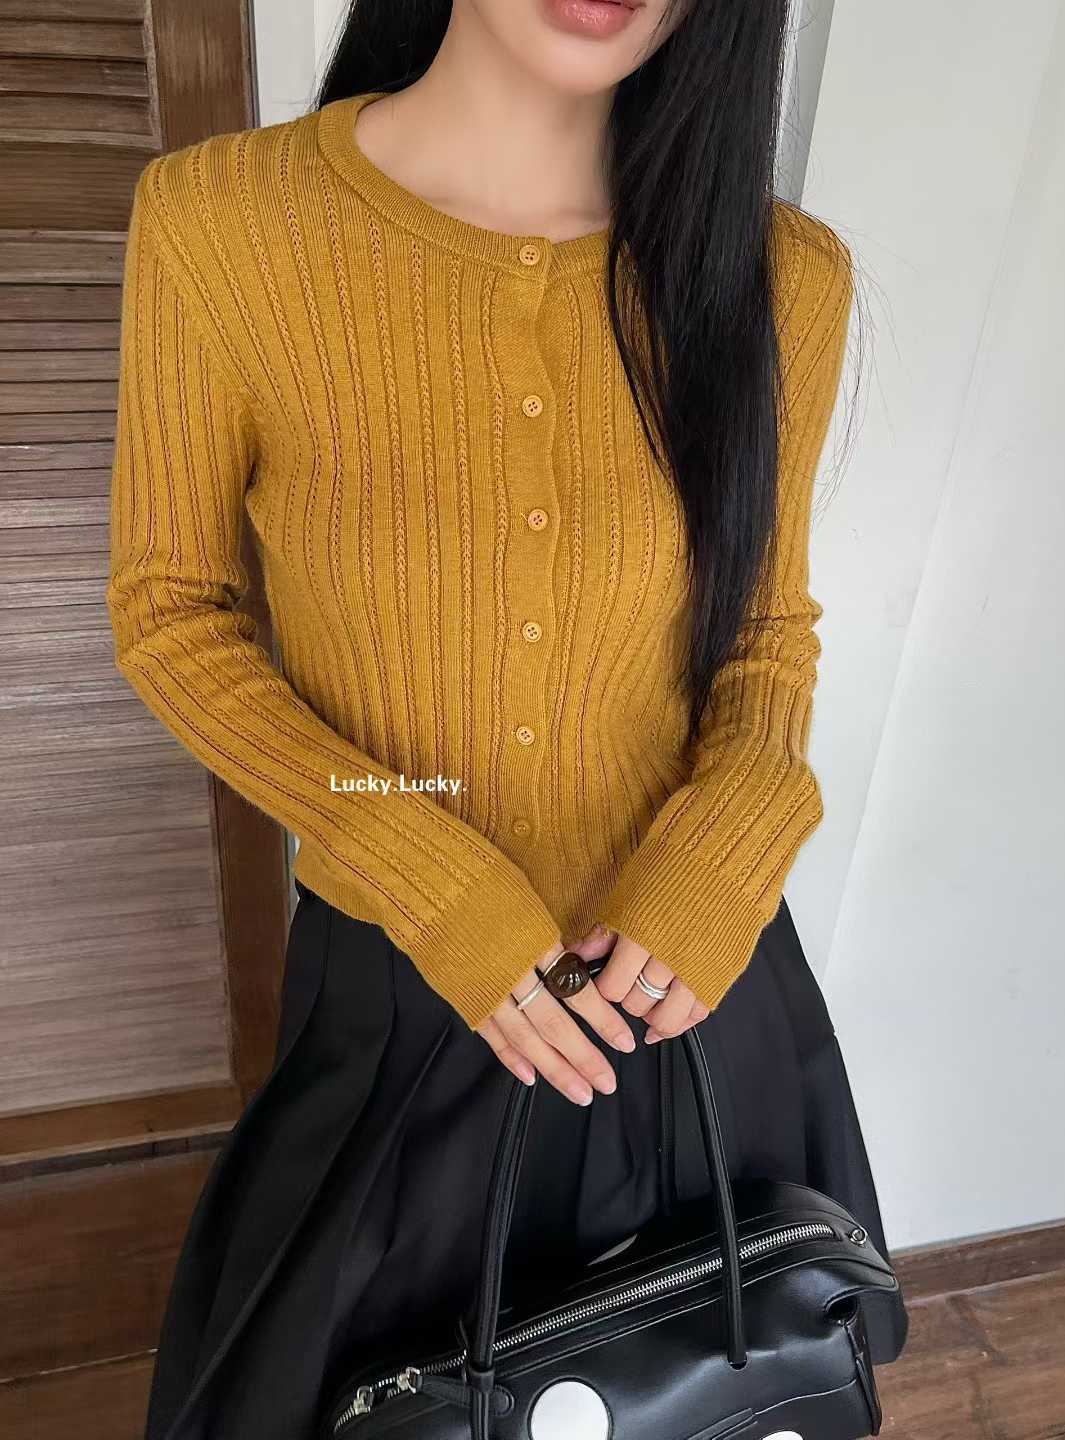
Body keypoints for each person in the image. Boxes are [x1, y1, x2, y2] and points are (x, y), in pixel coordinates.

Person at [106, 1, 910, 1435]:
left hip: (694, 990)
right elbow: (175, 612)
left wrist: (726, 854)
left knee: (716, 1398)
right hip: (403, 989)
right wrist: (430, 875)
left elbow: (764, 635)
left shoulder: (781, 274)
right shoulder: (224, 224)